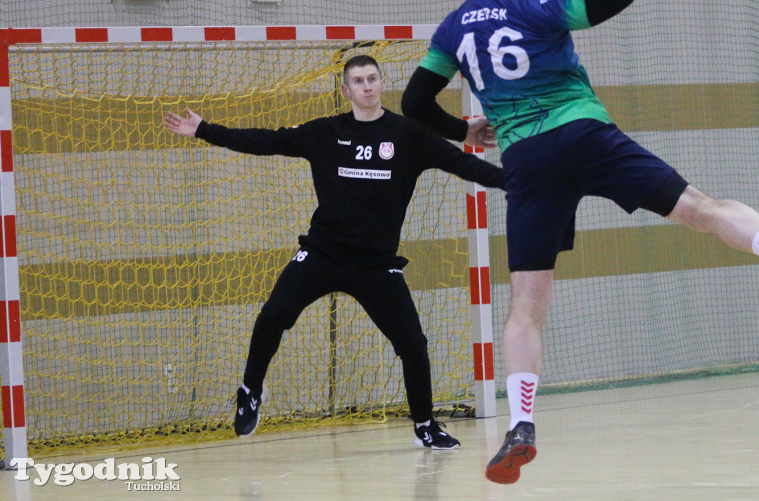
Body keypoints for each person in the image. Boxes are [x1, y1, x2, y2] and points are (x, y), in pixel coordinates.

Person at [401, 0, 759, 483]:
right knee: (700, 206)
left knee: (526, 308)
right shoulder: (541, 2)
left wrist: (468, 132)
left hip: (527, 162)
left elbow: (412, 103)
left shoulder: (454, 28)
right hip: (584, 134)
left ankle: (522, 424)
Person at [163, 54, 504, 450]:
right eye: (357, 81)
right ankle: (250, 391)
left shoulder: (409, 135)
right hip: (323, 255)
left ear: (381, 83)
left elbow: (463, 165)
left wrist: (516, 180)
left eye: (372, 78)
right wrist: (205, 129)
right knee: (273, 314)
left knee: (413, 344)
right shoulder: (325, 132)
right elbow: (266, 141)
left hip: (376, 265)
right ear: (346, 91)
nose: (366, 86)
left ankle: (426, 424)